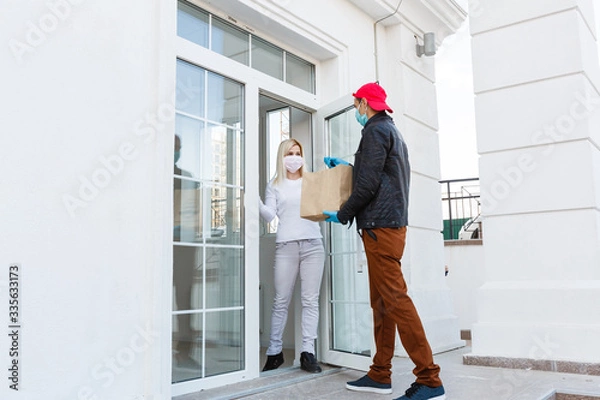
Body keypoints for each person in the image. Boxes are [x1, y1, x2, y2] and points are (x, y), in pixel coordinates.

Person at [323, 83, 445, 400]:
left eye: (356, 105)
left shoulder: (375, 132)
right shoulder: (390, 130)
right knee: (382, 303)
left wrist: (343, 213)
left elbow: (368, 185)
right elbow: (378, 175)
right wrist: (349, 167)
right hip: (388, 225)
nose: (356, 111)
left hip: (381, 227)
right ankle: (380, 374)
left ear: (364, 103)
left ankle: (430, 380)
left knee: (396, 301)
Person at [259, 138, 325, 374]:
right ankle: (274, 353)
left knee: (309, 300)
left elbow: (323, 209)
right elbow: (269, 216)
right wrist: (253, 200)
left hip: (313, 245)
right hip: (286, 246)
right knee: (281, 301)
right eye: (290, 153)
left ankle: (308, 353)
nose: (295, 157)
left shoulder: (311, 180)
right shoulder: (275, 184)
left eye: (298, 152)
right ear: (282, 157)